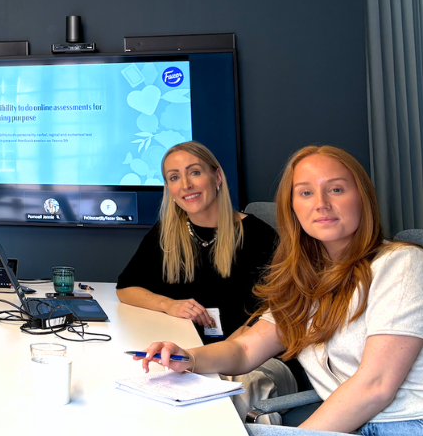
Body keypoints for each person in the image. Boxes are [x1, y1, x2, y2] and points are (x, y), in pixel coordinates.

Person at [138, 145, 423, 435]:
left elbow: (376, 386)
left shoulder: (400, 263)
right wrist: (187, 357)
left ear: (362, 197)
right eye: (306, 193)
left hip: (403, 424)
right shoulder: (305, 278)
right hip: (350, 425)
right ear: (293, 207)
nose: (321, 204)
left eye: (336, 190)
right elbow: (244, 349)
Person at [117, 141, 279, 342]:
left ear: (217, 177)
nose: (186, 185)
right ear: (169, 188)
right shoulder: (165, 233)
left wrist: (222, 355)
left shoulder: (259, 236)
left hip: (244, 356)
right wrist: (168, 305)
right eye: (174, 177)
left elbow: (275, 312)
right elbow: (126, 288)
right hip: (183, 350)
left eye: (194, 172)